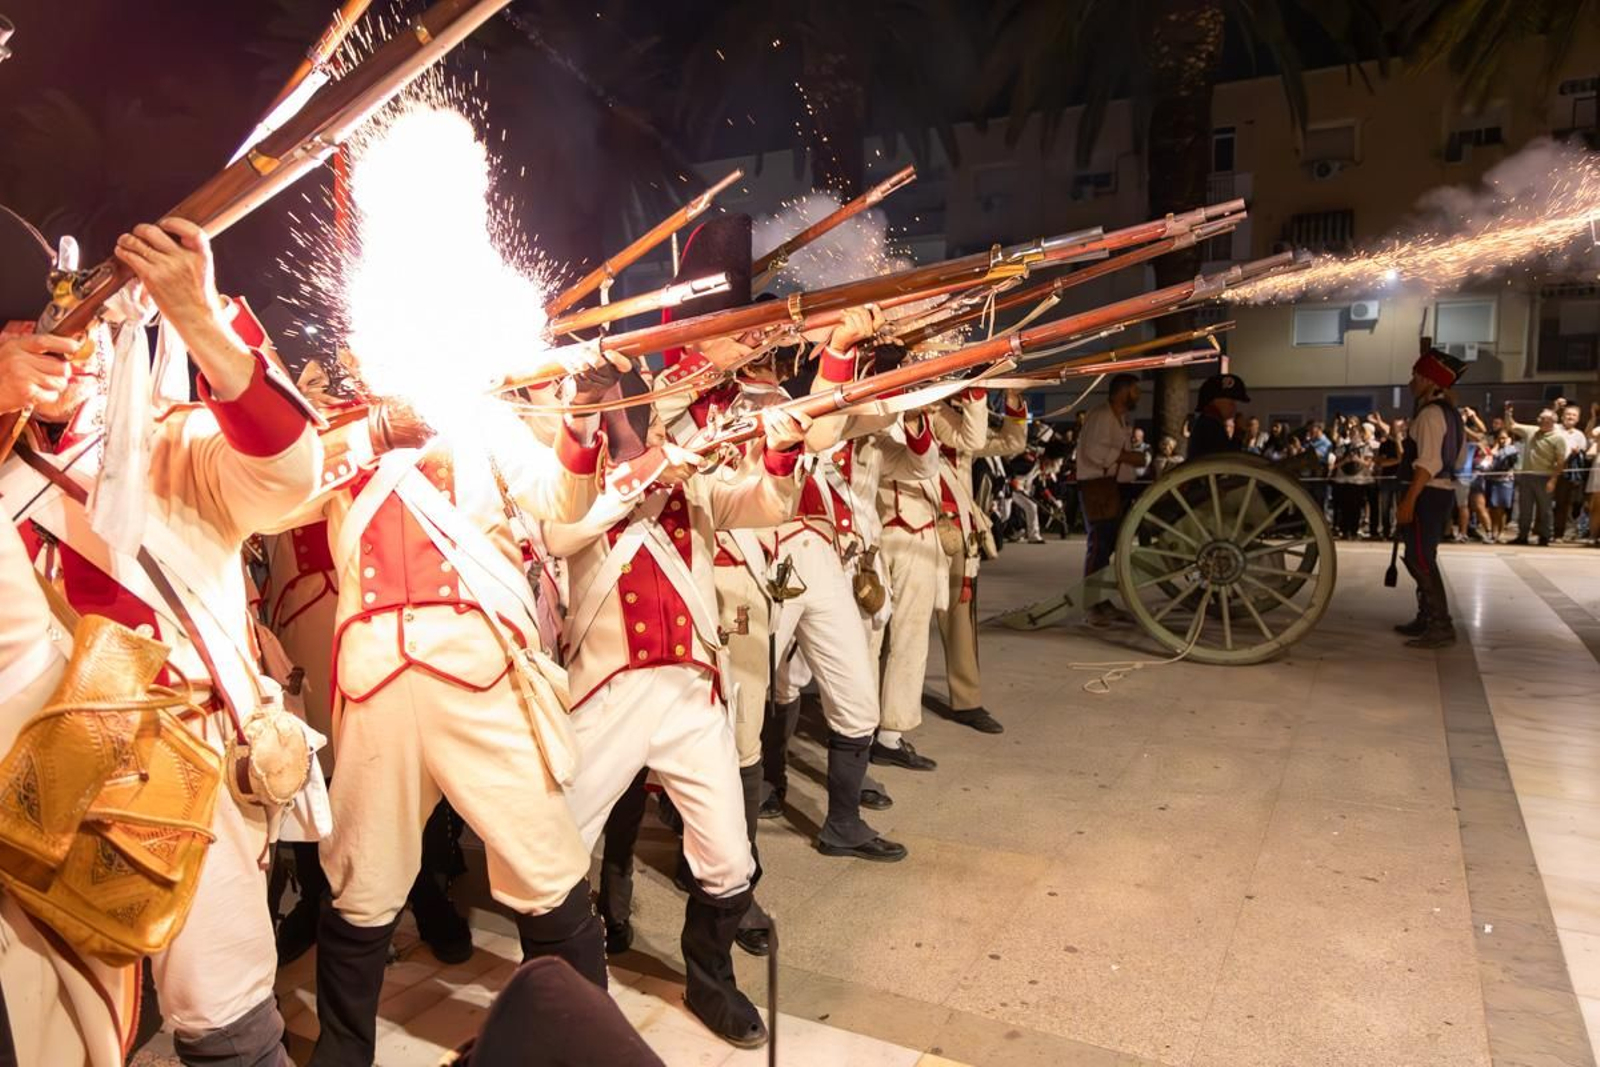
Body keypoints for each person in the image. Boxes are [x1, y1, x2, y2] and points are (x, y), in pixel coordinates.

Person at [9, 219, 323, 1065]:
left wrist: (198, 316)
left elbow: (293, 473)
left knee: (229, 1025)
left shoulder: (172, 440)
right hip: (27, 798)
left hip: (183, 791)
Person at [542, 400, 808, 1049]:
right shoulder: (577, 481)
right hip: (607, 691)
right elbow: (561, 530)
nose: (643, 426)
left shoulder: (694, 481)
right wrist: (657, 463)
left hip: (691, 688)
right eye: (629, 417)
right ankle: (566, 994)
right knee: (550, 854)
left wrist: (783, 447)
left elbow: (770, 502)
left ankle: (710, 981)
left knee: (728, 858)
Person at [1394, 346, 1468, 648]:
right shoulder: (1452, 414)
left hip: (1427, 493)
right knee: (1422, 556)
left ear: (1429, 380)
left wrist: (1409, 501)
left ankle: (1440, 624)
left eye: (1416, 375)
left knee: (1419, 558)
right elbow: (1458, 460)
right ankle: (1426, 617)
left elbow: (1427, 464)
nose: (1412, 381)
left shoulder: (1430, 415)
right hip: (1440, 493)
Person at [1074, 373, 1145, 627]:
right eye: (1135, 390)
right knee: (1099, 544)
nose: (1138, 395)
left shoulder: (1117, 418)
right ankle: (1092, 605)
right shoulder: (1102, 416)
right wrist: (1128, 457)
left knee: (1108, 546)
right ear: (1122, 391)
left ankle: (1101, 601)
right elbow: (1094, 452)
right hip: (1099, 487)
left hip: (1114, 487)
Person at [1504, 403, 1570, 546]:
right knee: (1525, 508)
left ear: (1552, 421)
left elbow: (1560, 462)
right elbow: (1512, 426)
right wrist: (1508, 413)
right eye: (1540, 419)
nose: (1542, 421)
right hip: (1527, 475)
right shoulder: (1531, 431)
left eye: (1545, 419)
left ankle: (1545, 536)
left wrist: (1553, 480)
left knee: (1545, 509)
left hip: (1544, 477)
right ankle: (1522, 536)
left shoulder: (1558, 438)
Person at [1188, 373, 1249, 460]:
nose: (1234, 407)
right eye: (1231, 402)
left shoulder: (1208, 422)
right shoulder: (1210, 426)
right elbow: (1227, 459)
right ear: (1215, 401)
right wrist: (1238, 433)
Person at [1554, 403, 1589, 541]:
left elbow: (1584, 453)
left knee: (1564, 504)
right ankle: (1541, 532)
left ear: (1578, 419)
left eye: (1574, 415)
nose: (1570, 417)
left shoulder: (1579, 435)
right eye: (1568, 414)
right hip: (1550, 471)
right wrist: (1555, 407)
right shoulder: (1555, 429)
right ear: (1562, 416)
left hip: (1567, 474)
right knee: (1545, 504)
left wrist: (1577, 452)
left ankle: (1559, 534)